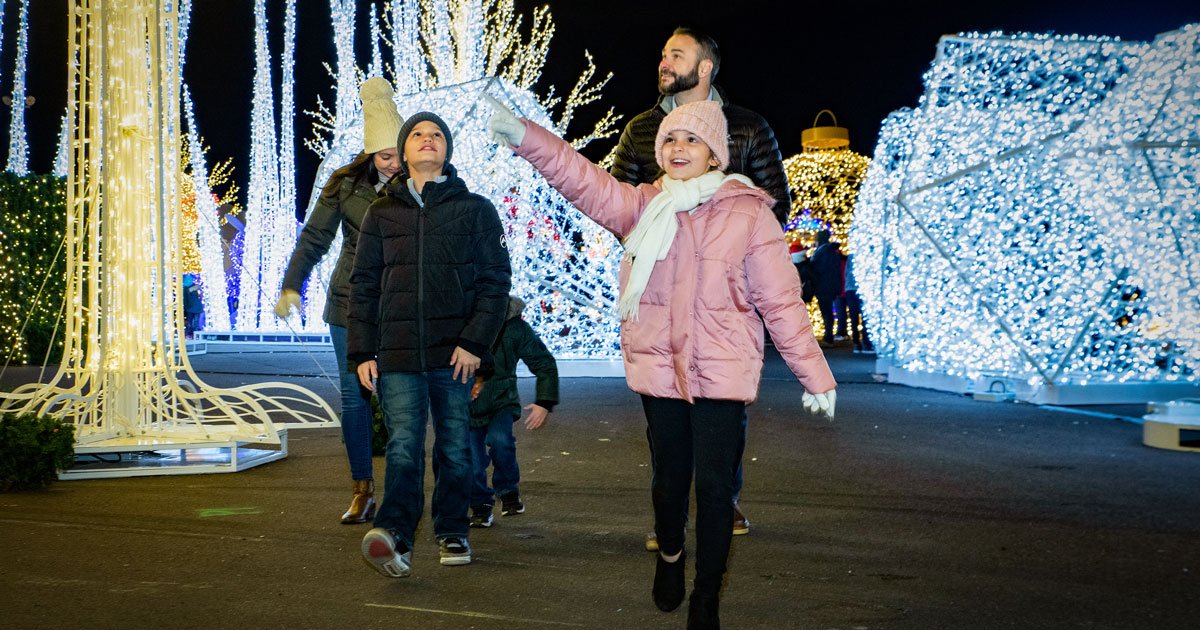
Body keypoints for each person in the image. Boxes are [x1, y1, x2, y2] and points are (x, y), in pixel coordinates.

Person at [487, 96, 837, 629]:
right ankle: (670, 554)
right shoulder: (643, 206)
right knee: (670, 479)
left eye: (692, 140)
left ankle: (707, 596)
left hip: (722, 369)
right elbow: (582, 179)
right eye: (671, 139)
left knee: (716, 486)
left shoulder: (749, 214)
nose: (679, 148)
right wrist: (526, 136)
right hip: (659, 368)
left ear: (715, 153)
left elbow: (780, 299)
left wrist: (814, 374)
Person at [609, 25, 792, 549]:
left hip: (720, 290)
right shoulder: (641, 130)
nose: (664, 61)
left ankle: (721, 498)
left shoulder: (748, 127)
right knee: (663, 415)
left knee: (721, 407)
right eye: (663, 52)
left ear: (705, 66)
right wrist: (658, 231)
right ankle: (670, 513)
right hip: (658, 291)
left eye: (676, 54)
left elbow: (775, 196)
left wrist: (725, 230)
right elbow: (618, 199)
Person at [350, 111, 512, 578]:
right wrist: (362, 352)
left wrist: (474, 343)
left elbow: (495, 282)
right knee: (402, 446)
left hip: (454, 354)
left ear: (447, 150)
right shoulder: (381, 213)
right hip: (397, 353)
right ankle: (394, 535)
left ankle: (452, 528)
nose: (427, 139)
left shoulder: (475, 210)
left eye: (436, 134)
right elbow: (364, 287)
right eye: (417, 134)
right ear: (402, 152)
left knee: (456, 447)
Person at [274, 77, 403, 525]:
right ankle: (362, 490)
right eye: (386, 157)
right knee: (355, 398)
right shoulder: (345, 184)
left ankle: (407, 495)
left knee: (403, 397)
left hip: (401, 306)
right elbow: (315, 236)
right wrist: (292, 283)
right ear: (369, 153)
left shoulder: (419, 181)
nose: (394, 164)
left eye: (399, 154)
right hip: (350, 304)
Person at [467, 296, 559, 528]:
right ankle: (480, 505)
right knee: (472, 459)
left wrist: (544, 401)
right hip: (465, 404)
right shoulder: (457, 317)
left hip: (501, 400)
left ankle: (508, 491)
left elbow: (543, 361)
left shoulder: (515, 327)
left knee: (500, 441)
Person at [808, 230, 846, 346]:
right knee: (827, 311)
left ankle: (828, 335)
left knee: (826, 311)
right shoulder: (831, 251)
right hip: (828, 286)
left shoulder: (824, 252)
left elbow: (820, 268)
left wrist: (811, 264)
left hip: (824, 286)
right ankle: (828, 334)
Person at [843, 253, 874, 353]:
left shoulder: (851, 256)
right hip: (864, 289)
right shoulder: (868, 255)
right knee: (865, 316)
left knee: (854, 316)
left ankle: (857, 343)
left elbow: (846, 273)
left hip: (850, 289)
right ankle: (866, 342)